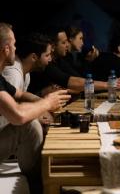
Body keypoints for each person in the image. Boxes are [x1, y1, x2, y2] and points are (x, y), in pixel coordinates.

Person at [0, 23, 71, 194]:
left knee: (34, 122)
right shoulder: (12, 73)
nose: (16, 50)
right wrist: (45, 104)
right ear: (6, 49)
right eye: (14, 44)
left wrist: (45, 103)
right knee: (29, 125)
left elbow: (19, 94)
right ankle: (42, 185)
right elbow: (17, 115)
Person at [28, 26, 120, 95]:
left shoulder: (60, 60)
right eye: (64, 42)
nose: (67, 45)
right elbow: (70, 81)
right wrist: (107, 84)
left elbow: (78, 79)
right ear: (53, 46)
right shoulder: (47, 65)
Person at [2, 33, 54, 129]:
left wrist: (45, 101)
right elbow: (11, 112)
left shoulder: (26, 73)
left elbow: (21, 95)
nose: (50, 59)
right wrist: (46, 104)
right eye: (47, 55)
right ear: (34, 57)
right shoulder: (14, 74)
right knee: (34, 126)